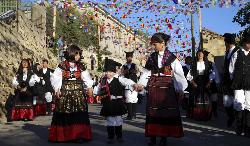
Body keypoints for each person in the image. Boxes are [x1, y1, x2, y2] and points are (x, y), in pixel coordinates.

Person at [137, 33, 188, 146]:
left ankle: (163, 137)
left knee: (165, 113)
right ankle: (152, 136)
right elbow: (146, 72)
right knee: (153, 112)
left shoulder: (172, 58)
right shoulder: (152, 57)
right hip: (154, 87)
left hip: (167, 89)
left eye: (155, 44)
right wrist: (140, 84)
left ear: (162, 43)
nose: (153, 46)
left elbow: (179, 74)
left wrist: (181, 89)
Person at [48, 45, 93, 142]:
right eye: (76, 54)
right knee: (65, 113)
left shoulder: (81, 66)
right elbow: (56, 77)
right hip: (65, 92)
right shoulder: (62, 65)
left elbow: (86, 77)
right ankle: (64, 136)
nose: (77, 56)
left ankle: (78, 135)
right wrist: (57, 88)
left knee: (79, 113)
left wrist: (89, 87)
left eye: (79, 54)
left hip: (78, 93)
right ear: (70, 53)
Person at [97, 59, 137, 144]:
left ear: (114, 72)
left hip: (117, 102)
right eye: (106, 71)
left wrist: (134, 84)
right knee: (110, 120)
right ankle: (110, 137)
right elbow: (99, 89)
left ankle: (119, 136)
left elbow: (127, 81)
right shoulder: (103, 80)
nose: (108, 73)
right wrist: (96, 94)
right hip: (108, 103)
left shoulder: (119, 79)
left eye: (110, 71)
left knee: (118, 120)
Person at [186, 50, 218, 121]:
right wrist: (192, 82)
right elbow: (189, 75)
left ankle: (208, 114)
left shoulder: (209, 64)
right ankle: (194, 114)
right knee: (192, 97)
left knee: (209, 98)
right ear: (197, 55)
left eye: (201, 53)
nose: (200, 54)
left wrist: (209, 82)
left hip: (206, 83)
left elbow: (213, 73)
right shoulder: (193, 64)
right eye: (198, 53)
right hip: (196, 83)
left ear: (203, 55)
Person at [229, 31, 250, 137]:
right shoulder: (237, 52)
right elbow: (231, 69)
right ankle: (239, 127)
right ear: (244, 43)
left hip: (249, 82)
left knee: (249, 105)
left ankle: (247, 128)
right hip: (238, 82)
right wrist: (235, 79)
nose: (249, 45)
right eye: (248, 43)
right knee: (238, 103)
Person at [222, 33, 239, 127]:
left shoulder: (237, 52)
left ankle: (238, 120)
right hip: (227, 81)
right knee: (226, 101)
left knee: (237, 101)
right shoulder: (227, 52)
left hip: (234, 81)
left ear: (228, 42)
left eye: (225, 42)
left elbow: (234, 69)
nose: (224, 44)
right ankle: (231, 116)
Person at [121, 51, 139, 120]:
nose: (129, 58)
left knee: (134, 99)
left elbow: (137, 71)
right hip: (127, 84)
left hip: (134, 83)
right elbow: (122, 73)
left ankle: (134, 114)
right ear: (126, 58)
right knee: (128, 98)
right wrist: (126, 72)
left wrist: (133, 71)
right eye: (128, 57)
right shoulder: (124, 66)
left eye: (130, 57)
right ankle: (130, 115)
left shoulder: (134, 65)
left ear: (132, 58)